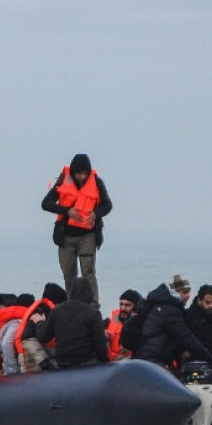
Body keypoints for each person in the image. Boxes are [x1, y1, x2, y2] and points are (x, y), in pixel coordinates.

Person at [41, 154, 112, 307]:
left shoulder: (97, 182)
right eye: (79, 173)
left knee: (88, 271)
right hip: (66, 235)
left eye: (85, 173)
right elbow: (45, 203)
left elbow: (108, 205)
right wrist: (67, 211)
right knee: (69, 273)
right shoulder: (63, 180)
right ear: (73, 172)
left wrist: (96, 214)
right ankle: (72, 305)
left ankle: (93, 305)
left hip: (88, 234)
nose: (82, 177)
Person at [134, 282, 212, 375]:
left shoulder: (156, 304)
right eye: (184, 292)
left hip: (143, 355)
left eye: (189, 292)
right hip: (153, 358)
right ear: (175, 292)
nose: (188, 296)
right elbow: (187, 338)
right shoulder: (171, 311)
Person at [33, 277, 109, 368]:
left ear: (71, 292)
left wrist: (40, 322)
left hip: (63, 362)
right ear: (90, 293)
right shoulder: (93, 313)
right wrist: (107, 364)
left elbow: (43, 337)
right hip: (86, 362)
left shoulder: (57, 310)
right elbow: (100, 346)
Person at [185, 284, 212, 359]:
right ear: (199, 300)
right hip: (194, 357)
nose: (211, 306)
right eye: (208, 302)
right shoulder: (188, 316)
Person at [106, 289, 141, 361]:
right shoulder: (109, 322)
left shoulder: (143, 326)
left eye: (127, 305)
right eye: (121, 304)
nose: (123, 308)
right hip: (110, 363)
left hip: (132, 363)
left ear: (136, 307)